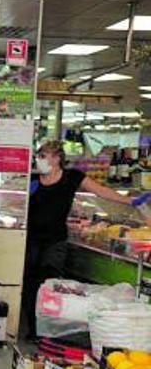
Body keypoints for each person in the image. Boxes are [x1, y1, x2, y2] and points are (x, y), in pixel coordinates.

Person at [22, 140, 151, 338]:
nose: (39, 160)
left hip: (55, 240)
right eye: (39, 156)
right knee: (30, 284)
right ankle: (32, 328)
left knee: (48, 283)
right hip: (30, 240)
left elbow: (101, 191)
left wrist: (131, 201)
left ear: (57, 158)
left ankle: (45, 330)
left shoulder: (72, 177)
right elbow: (17, 200)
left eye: (43, 156)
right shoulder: (33, 179)